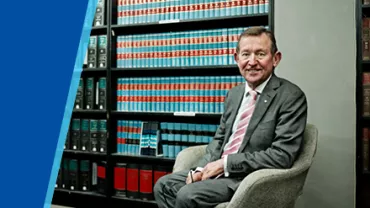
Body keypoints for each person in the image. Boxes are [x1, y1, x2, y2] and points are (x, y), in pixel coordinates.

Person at [153, 26, 308, 208]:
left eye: (260, 54)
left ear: (275, 59)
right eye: (245, 54)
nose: (252, 62)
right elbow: (220, 139)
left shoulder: (290, 96)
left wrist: (225, 164)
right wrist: (201, 169)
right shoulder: (234, 95)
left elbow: (282, 156)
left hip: (248, 179)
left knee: (188, 195)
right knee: (164, 186)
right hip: (220, 173)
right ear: (236, 59)